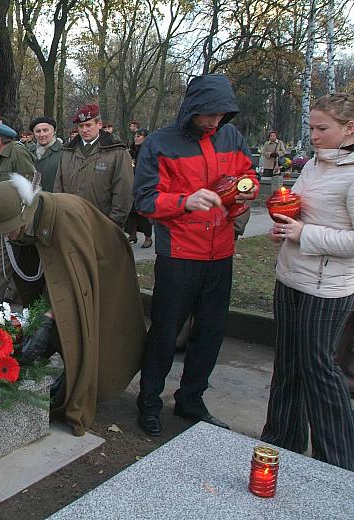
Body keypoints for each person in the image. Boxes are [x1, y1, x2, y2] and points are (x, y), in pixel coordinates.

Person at [132, 74, 259, 436]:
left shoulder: (231, 137)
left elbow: (247, 173)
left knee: (211, 331)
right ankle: (149, 402)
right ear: (192, 109)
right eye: (209, 115)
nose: (215, 122)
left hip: (220, 252)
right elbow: (144, 199)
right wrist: (185, 202)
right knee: (166, 331)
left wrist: (246, 189)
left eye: (222, 115)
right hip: (179, 253)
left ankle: (191, 399)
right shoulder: (159, 143)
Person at [0, 175, 145, 436]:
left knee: (83, 329)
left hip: (103, 268)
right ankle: (66, 372)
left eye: (10, 227)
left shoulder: (65, 216)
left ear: (25, 214)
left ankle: (79, 388)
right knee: (52, 325)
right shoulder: (14, 226)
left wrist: (48, 318)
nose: (7, 234)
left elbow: (74, 282)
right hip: (70, 272)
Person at [260, 93, 354, 471]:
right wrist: (284, 220)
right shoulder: (314, 164)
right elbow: (301, 208)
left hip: (327, 288)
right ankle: (282, 441)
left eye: (322, 128)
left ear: (349, 128)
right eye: (311, 127)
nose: (313, 135)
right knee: (287, 364)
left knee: (319, 368)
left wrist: (303, 234)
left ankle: (337, 461)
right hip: (291, 277)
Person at [54, 103, 133, 227]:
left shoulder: (117, 151)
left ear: (99, 125)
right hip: (70, 222)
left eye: (88, 125)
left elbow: (123, 190)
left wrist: (114, 222)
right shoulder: (67, 152)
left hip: (102, 224)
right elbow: (58, 187)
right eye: (81, 126)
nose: (84, 130)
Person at [0, 122, 36, 301]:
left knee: (4, 261)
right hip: (7, 218)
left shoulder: (17, 152)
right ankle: (12, 295)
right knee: (7, 260)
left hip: (17, 220)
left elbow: (32, 184)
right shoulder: (4, 155)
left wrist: (22, 217)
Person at [125, 128, 153, 248]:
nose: (136, 137)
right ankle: (132, 233)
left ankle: (148, 237)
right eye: (135, 135)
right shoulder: (131, 151)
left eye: (139, 135)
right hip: (131, 183)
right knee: (131, 212)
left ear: (145, 138)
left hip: (145, 184)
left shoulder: (149, 151)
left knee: (143, 212)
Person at [27, 116, 62, 192]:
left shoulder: (63, 153)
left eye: (45, 130)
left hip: (55, 200)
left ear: (53, 132)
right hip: (33, 200)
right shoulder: (28, 152)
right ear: (34, 134)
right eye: (38, 131)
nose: (42, 135)